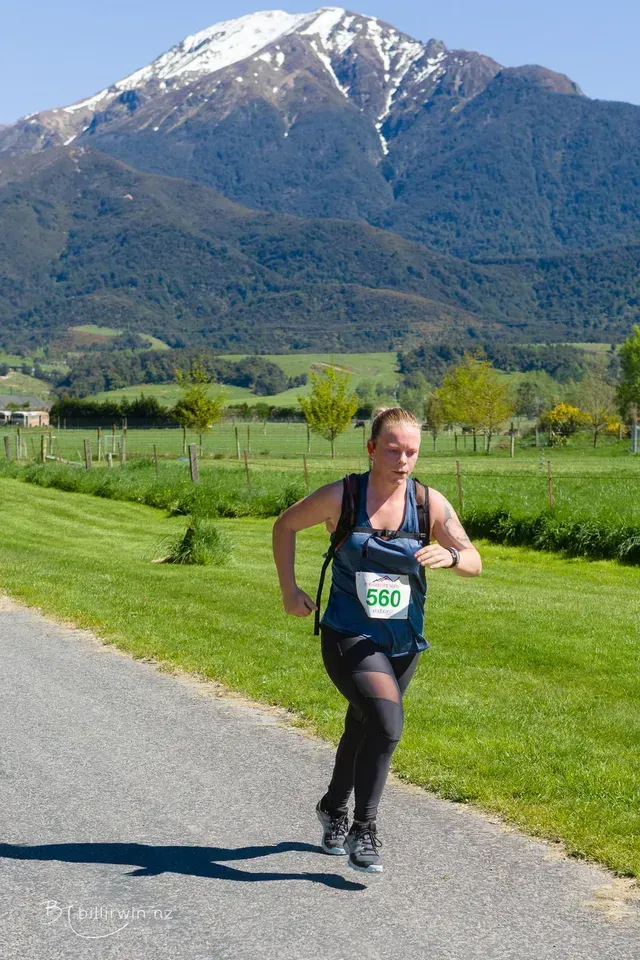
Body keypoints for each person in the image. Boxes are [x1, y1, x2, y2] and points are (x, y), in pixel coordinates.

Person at [272, 406, 482, 875]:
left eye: (411, 451)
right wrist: (289, 589)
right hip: (349, 633)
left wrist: (449, 556)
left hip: (403, 641)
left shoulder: (429, 504)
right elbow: (284, 526)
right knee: (387, 723)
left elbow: (474, 560)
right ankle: (362, 830)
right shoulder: (341, 496)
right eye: (393, 449)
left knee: (363, 724)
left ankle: (332, 808)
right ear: (371, 449)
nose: (403, 460)